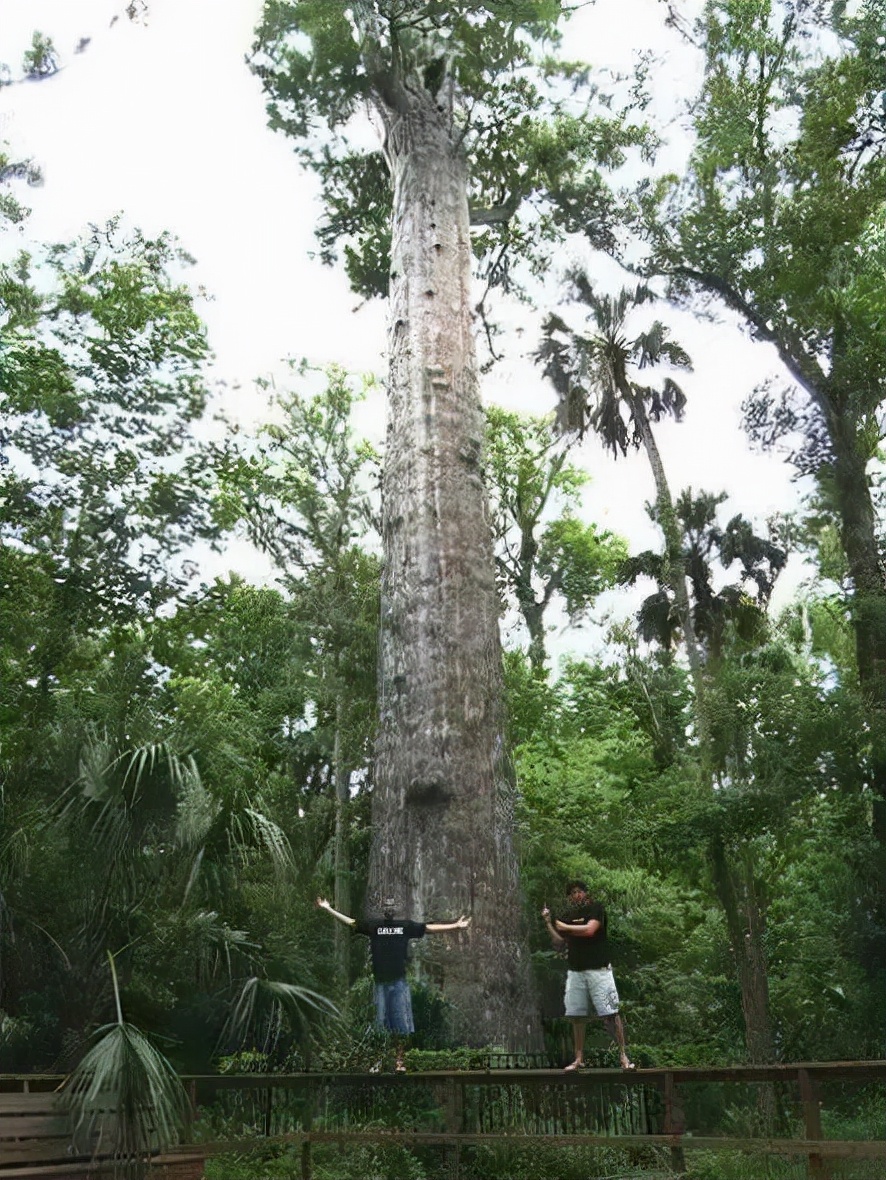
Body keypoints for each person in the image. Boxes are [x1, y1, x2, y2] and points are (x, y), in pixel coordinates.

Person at [316, 894, 471, 1071]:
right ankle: (379, 1061)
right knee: (380, 1023)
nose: (389, 908)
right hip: (381, 983)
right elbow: (351, 922)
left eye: (392, 905)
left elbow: (428, 928)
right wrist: (328, 909)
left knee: (400, 1024)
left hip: (398, 982)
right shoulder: (374, 926)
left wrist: (456, 927)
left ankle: (399, 1061)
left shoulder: (404, 926)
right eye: (386, 905)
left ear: (395, 909)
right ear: (383, 909)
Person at [542, 879, 634, 1071]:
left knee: (610, 1013)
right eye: (573, 893)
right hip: (576, 971)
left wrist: (564, 927)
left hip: (599, 970)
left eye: (579, 892)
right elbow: (559, 941)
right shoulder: (569, 915)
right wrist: (549, 923)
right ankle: (578, 1058)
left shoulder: (596, 908)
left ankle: (623, 1056)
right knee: (577, 1016)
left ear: (585, 893)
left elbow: (590, 930)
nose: (577, 895)